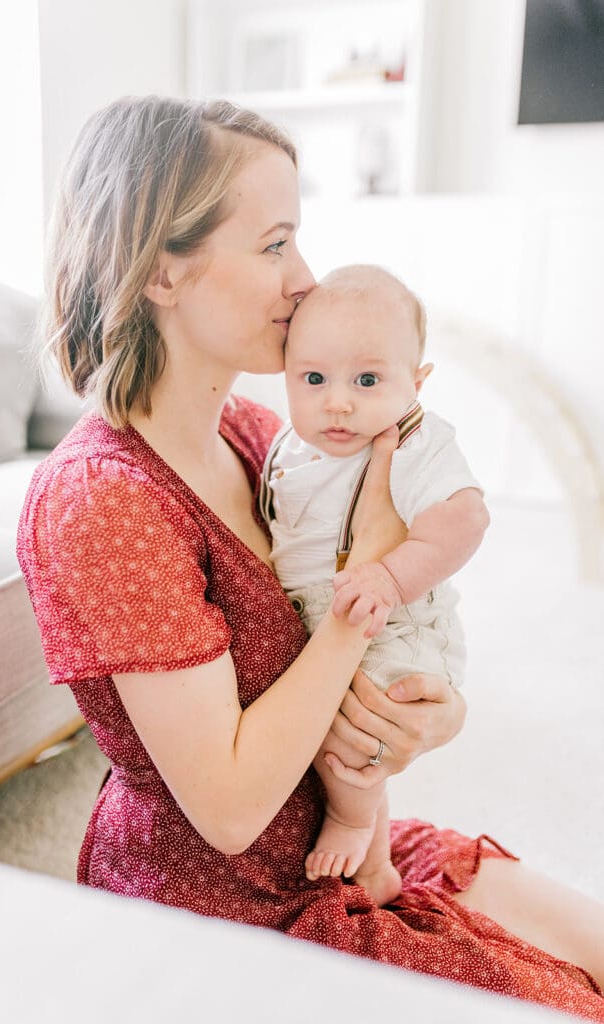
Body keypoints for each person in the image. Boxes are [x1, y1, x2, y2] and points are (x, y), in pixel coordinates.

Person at [16, 95, 604, 1020]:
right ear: (163, 271)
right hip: (227, 906)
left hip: (325, 842)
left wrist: (428, 714)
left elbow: (413, 593)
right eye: (274, 244)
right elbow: (231, 807)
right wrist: (359, 586)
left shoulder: (260, 436)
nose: (305, 280)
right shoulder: (106, 504)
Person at [260, 264, 488, 906]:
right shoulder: (289, 446)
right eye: (314, 379)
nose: (338, 401)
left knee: (360, 732)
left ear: (415, 384)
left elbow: (465, 519)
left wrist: (390, 573)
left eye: (367, 380)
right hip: (327, 616)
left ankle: (355, 821)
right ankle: (379, 866)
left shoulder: (416, 443)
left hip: (399, 622)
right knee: (327, 722)